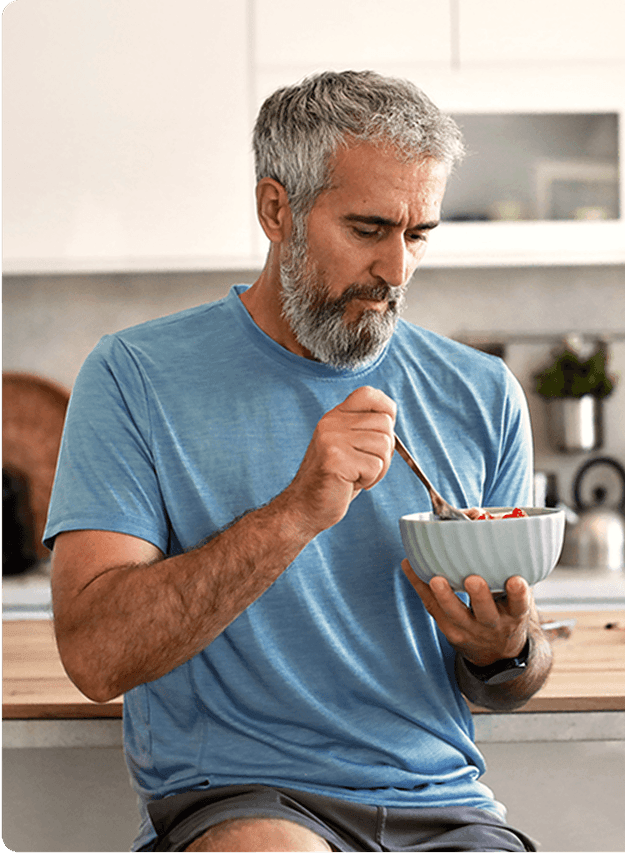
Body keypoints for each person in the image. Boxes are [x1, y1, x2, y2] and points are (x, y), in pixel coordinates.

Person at [45, 70, 552, 853]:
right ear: (275, 209)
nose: (397, 270)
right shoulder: (133, 376)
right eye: (368, 228)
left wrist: (506, 650)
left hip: (445, 805)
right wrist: (296, 512)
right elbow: (95, 656)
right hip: (244, 798)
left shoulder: (481, 393)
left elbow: (516, 673)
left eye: (418, 235)